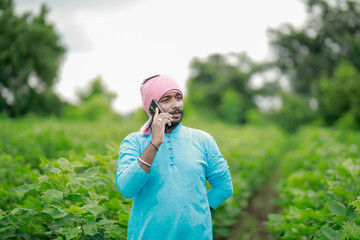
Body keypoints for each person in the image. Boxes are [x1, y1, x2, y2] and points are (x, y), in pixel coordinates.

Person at [115, 74, 233, 240]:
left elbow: (224, 187)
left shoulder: (203, 140)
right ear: (152, 107)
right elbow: (127, 189)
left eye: (178, 97)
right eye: (166, 99)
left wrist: (196, 211)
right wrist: (154, 143)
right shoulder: (134, 141)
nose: (176, 105)